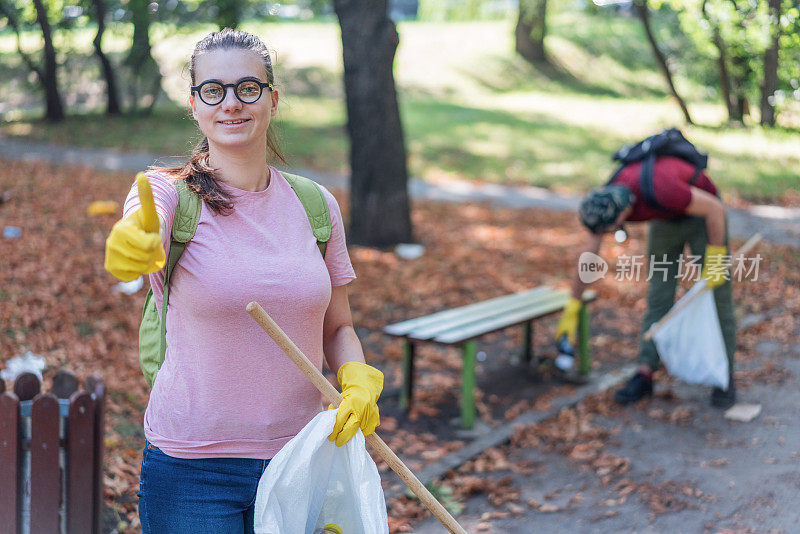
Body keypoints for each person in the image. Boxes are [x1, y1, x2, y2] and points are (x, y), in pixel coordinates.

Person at [103, 29, 383, 533]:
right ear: (194, 104)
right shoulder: (168, 195)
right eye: (213, 90)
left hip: (299, 463)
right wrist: (134, 244)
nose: (231, 103)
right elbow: (142, 222)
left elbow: (338, 327)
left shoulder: (317, 205)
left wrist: (358, 380)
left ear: (272, 99)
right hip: (192, 471)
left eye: (247, 88)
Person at [555, 154, 737, 408]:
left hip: (703, 214)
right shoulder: (606, 201)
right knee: (658, 296)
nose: (608, 234)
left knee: (717, 294)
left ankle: (725, 377)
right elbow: (588, 259)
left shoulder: (663, 189)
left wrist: (716, 259)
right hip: (665, 219)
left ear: (622, 216)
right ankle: (645, 372)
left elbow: (716, 209)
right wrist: (572, 308)